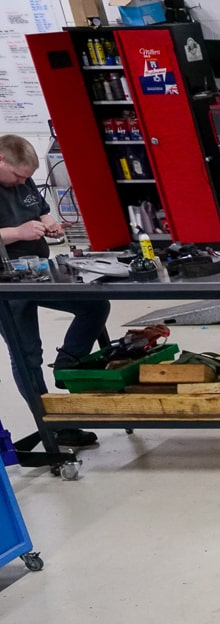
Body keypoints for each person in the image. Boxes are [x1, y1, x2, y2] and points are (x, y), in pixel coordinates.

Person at [0, 134, 108, 448]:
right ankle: (55, 426)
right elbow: (16, 229)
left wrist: (51, 224)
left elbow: (42, 210)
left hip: (38, 271)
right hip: (5, 284)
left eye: (27, 177)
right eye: (17, 176)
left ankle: (69, 361)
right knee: (27, 355)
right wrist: (17, 232)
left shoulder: (23, 182)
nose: (22, 182)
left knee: (94, 305)